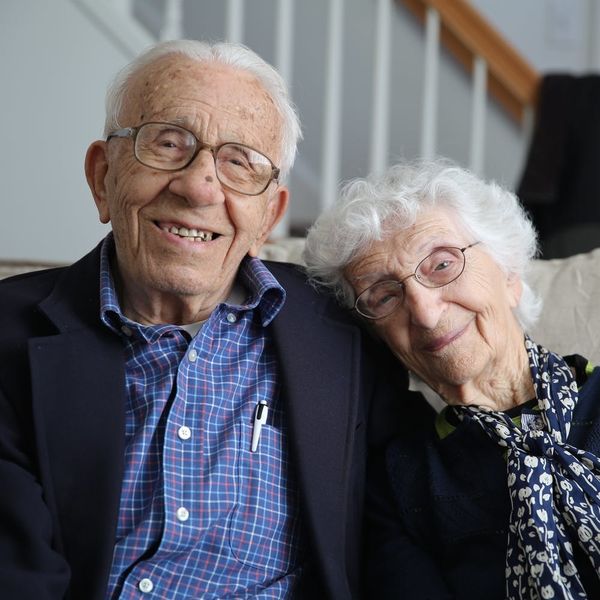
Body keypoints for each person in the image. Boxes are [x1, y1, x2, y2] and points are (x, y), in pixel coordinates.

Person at [0, 39, 389, 599]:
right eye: (167, 143)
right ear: (102, 176)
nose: (199, 186)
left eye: (239, 162)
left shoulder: (349, 325)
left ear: (269, 217)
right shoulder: (9, 336)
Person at [303, 159, 600, 599]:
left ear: (510, 273)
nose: (424, 312)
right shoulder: (399, 481)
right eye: (384, 295)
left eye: (442, 265)